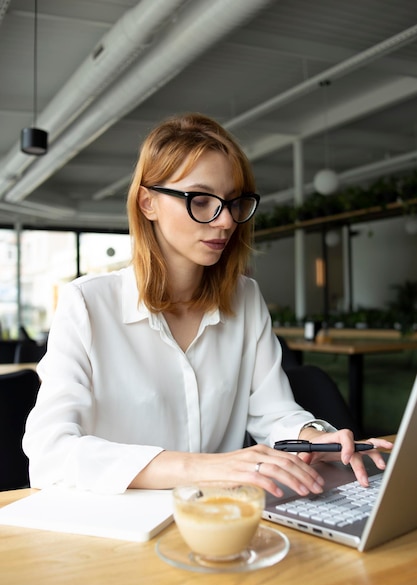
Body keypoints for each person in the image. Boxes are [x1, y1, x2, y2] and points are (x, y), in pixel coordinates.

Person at [23, 112, 392, 496]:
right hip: (124, 528)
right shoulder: (87, 304)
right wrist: (203, 467)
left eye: (235, 203)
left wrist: (310, 437)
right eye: (201, 201)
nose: (226, 222)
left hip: (224, 519)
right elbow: (50, 453)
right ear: (148, 202)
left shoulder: (245, 298)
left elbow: (274, 412)